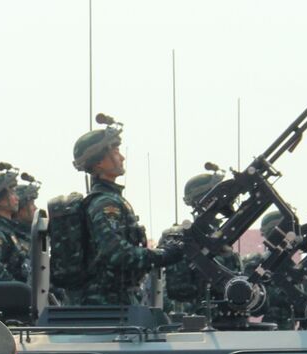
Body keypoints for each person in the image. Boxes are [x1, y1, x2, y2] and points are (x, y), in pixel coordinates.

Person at [65, 116, 166, 304]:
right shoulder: (104, 204)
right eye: (116, 151)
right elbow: (115, 252)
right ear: (99, 162)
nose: (122, 157)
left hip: (118, 301)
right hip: (105, 304)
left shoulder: (111, 200)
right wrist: (161, 255)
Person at [161, 168, 241, 316]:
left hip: (227, 320)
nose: (228, 199)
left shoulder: (222, 235)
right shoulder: (181, 236)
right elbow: (178, 289)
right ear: (207, 200)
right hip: (193, 321)